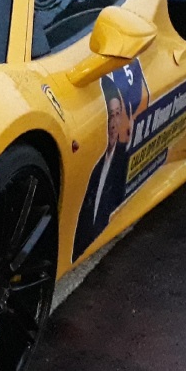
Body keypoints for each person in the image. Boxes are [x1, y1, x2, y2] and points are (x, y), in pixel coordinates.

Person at [73, 72, 136, 259]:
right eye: (110, 115)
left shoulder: (122, 161)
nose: (113, 124)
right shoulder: (95, 167)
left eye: (117, 115)